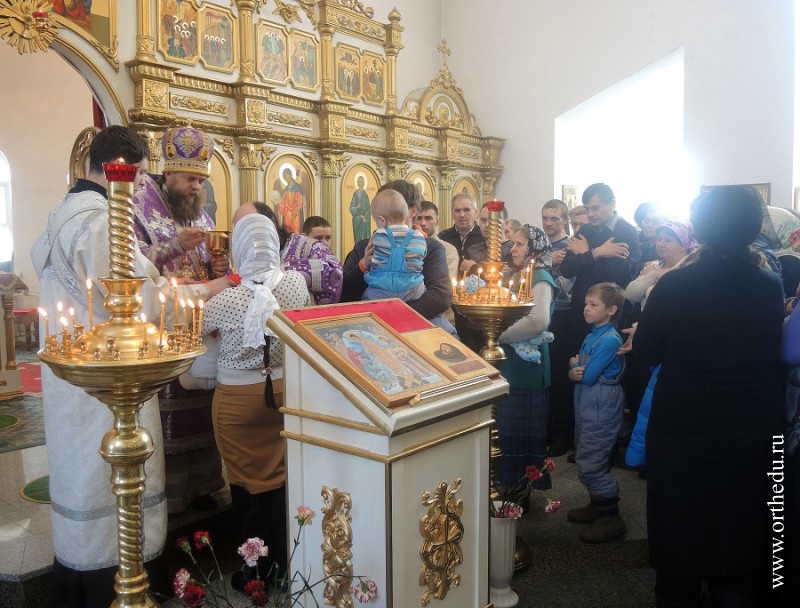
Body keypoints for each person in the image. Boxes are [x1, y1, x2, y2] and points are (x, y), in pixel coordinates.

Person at [30, 125, 231, 607]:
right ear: (119, 169)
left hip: (73, 376)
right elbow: (144, 302)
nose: (142, 187)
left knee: (80, 478)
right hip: (110, 382)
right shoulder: (102, 222)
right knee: (110, 483)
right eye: (139, 176)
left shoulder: (61, 214)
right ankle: (127, 591)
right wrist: (211, 291)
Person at [633, 186, 785, 606]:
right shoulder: (769, 283)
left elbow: (646, 352)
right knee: (743, 518)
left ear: (699, 228)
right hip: (753, 419)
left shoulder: (675, 284)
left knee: (680, 517)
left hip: (685, 419)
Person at [196, 209, 311, 591]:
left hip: (237, 405)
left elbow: (194, 332)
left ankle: (255, 573)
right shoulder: (295, 285)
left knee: (245, 488)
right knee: (282, 481)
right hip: (285, 395)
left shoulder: (224, 301)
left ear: (239, 250)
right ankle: (286, 564)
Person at [133, 126, 227, 515]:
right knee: (170, 414)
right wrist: (174, 246)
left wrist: (217, 266)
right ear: (169, 172)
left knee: (202, 408)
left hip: (198, 325)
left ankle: (203, 486)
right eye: (190, 179)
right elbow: (131, 266)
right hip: (160, 326)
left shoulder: (200, 212)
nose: (196, 187)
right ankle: (170, 498)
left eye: (201, 181)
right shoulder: (138, 204)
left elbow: (205, 266)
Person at [624, 221, 697, 471]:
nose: (661, 244)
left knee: (661, 401)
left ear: (684, 244)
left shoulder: (689, 268)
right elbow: (631, 293)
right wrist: (654, 274)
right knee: (642, 396)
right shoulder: (654, 266)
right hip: (646, 334)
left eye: (669, 239)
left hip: (670, 341)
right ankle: (644, 454)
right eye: (659, 239)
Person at [495, 225, 559, 497]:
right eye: (513, 243)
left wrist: (496, 335)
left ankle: (519, 493)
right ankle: (506, 487)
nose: (513, 249)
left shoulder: (540, 277)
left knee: (519, 428)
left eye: (520, 244)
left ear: (534, 248)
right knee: (505, 428)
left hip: (527, 369)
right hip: (511, 362)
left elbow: (537, 321)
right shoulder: (517, 273)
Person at [341, 180, 452, 323]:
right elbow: (344, 294)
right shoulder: (364, 246)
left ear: (412, 211)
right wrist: (363, 265)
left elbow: (441, 296)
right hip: (370, 324)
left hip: (416, 323)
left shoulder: (431, 247)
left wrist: (393, 316)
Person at [567, 282, 627, 543]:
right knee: (586, 452)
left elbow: (588, 376)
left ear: (611, 310)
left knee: (593, 459)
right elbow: (579, 373)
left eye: (593, 305)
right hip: (588, 404)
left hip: (601, 406)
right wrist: (574, 370)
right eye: (585, 304)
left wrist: (574, 365)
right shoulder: (593, 334)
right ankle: (597, 505)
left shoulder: (610, 339)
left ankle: (611, 517)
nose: (586, 309)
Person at [363, 190, 455, 333]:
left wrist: (396, 316)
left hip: (382, 295)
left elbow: (441, 296)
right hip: (413, 291)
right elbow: (421, 255)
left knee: (366, 299)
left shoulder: (377, 237)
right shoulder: (419, 238)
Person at [252, 202, 342, 305]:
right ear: (304, 236)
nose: (324, 243)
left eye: (328, 238)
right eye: (318, 238)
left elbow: (334, 272)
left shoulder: (322, 256)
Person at [541, 199, 575, 457]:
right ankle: (546, 427)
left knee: (561, 375)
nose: (549, 223)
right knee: (545, 374)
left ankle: (562, 432)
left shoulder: (570, 248)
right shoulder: (541, 245)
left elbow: (566, 286)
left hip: (562, 314)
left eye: (554, 218)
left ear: (564, 221)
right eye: (545, 218)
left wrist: (546, 265)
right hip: (541, 311)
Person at [438, 192, 485, 269]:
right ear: (452, 214)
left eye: (466, 210)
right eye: (457, 210)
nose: (462, 215)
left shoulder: (484, 237)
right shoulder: (442, 238)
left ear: (476, 213)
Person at [415, 200, 459, 277]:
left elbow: (447, 279)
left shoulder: (448, 250)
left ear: (437, 221)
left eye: (428, 218)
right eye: (419, 218)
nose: (423, 223)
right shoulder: (407, 246)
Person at [349, 174, 371, 243]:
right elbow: (351, 207)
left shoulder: (365, 195)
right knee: (357, 239)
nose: (360, 183)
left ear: (363, 183)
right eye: (358, 182)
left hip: (364, 218)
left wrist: (365, 216)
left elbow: (368, 208)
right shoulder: (355, 194)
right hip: (357, 218)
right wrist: (357, 208)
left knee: (364, 239)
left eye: (361, 182)